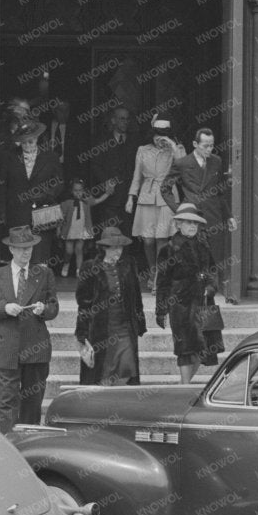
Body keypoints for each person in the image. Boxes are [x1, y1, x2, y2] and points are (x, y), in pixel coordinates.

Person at [0, 226, 59, 431]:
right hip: (8, 347)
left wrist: (44, 309)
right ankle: (9, 440)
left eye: (30, 248)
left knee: (33, 401)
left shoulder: (43, 273)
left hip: (36, 346)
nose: (26, 253)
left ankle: (29, 441)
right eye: (22, 249)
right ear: (12, 250)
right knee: (7, 399)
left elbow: (54, 307)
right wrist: (4, 307)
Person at [155, 203, 222, 383]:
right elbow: (162, 282)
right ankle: (184, 387)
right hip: (181, 305)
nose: (193, 226)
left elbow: (213, 270)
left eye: (195, 223)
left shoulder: (203, 246)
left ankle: (184, 385)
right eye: (188, 222)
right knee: (185, 349)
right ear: (178, 224)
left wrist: (211, 287)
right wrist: (161, 311)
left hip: (204, 303)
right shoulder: (168, 249)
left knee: (205, 348)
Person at [74, 224, 144, 386]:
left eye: (120, 247)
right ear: (104, 248)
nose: (118, 251)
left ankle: (118, 402)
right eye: (113, 248)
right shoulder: (90, 267)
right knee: (103, 372)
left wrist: (140, 322)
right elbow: (83, 304)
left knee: (127, 368)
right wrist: (82, 334)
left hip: (125, 328)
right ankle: (105, 406)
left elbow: (136, 297)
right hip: (101, 329)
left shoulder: (129, 265)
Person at [167, 126, 237, 283]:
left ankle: (210, 297)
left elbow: (220, 192)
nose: (209, 149)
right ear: (195, 144)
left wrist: (229, 216)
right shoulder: (182, 163)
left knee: (213, 258)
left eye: (212, 145)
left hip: (214, 216)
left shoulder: (217, 161)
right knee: (192, 258)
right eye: (205, 145)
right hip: (192, 216)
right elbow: (165, 188)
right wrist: (179, 210)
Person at [0, 118, 66, 268]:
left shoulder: (50, 157)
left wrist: (46, 194)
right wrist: (2, 212)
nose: (27, 145)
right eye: (24, 142)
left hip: (43, 211)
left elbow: (59, 182)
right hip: (18, 212)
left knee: (40, 255)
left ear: (37, 139)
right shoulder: (9, 157)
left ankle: (39, 287)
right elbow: (3, 186)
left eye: (31, 141)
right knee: (20, 254)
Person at [127, 118, 183, 274]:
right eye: (157, 134)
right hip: (147, 196)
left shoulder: (176, 149)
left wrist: (172, 146)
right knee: (148, 239)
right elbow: (137, 175)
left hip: (167, 197)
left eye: (164, 134)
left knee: (162, 238)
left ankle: (160, 276)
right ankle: (152, 270)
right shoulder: (142, 150)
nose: (160, 138)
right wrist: (131, 197)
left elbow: (184, 167)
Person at [80, 104, 136, 232]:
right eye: (122, 118)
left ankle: (125, 253)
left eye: (127, 119)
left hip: (129, 196)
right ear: (113, 120)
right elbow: (95, 165)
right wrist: (106, 181)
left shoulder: (134, 141)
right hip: (110, 196)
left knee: (126, 232)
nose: (125, 122)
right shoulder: (102, 141)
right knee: (110, 233)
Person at [57, 178, 94, 279]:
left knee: (79, 250)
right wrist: (59, 228)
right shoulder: (67, 203)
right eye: (75, 191)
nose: (78, 193)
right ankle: (66, 263)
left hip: (81, 230)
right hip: (69, 230)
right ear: (71, 191)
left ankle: (79, 270)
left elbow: (96, 202)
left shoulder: (86, 203)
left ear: (83, 191)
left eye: (80, 190)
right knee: (69, 251)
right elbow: (61, 217)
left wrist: (107, 194)